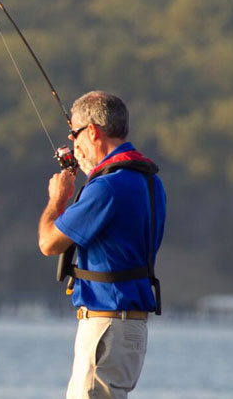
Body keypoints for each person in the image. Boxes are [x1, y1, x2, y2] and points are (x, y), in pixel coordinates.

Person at [38, 91, 166, 399]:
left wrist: (59, 199)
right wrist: (92, 174)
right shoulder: (148, 180)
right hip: (129, 328)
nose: (74, 145)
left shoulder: (107, 187)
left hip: (106, 325)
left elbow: (49, 242)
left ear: (93, 131)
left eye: (75, 135)